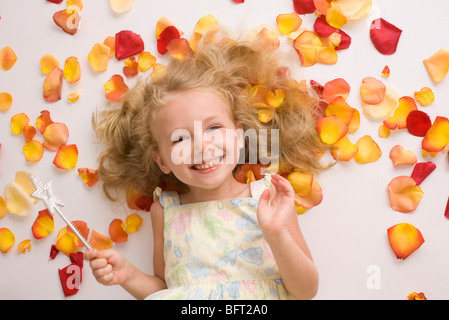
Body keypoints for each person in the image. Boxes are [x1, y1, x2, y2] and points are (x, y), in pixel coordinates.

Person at [84, 27, 328, 300]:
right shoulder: (164, 211)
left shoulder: (268, 198)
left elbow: (306, 291)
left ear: (238, 137)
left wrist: (277, 233)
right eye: (179, 138)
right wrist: (128, 275)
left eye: (213, 128)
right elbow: (170, 292)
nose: (201, 146)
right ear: (162, 160)